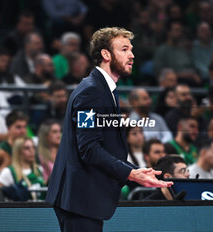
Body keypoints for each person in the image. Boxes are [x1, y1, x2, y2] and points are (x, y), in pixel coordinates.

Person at [46, 27, 172, 232]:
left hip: (84, 201)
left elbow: (106, 146)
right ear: (106, 54)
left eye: (131, 49)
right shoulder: (91, 92)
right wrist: (131, 173)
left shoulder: (105, 91)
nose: (132, 55)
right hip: (79, 200)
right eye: (124, 49)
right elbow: (89, 149)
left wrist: (133, 169)